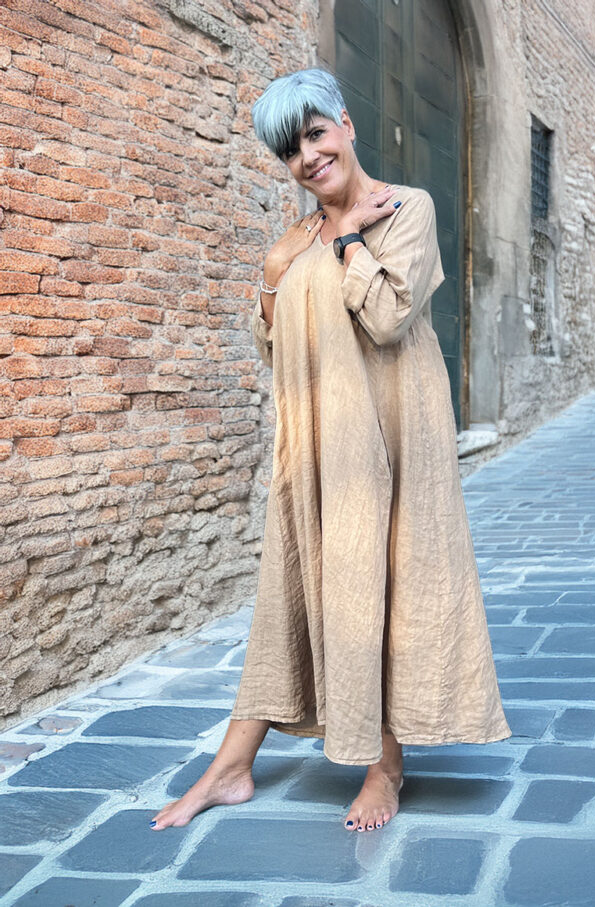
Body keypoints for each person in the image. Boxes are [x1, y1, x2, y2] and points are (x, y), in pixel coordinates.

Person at [150, 67, 511, 835]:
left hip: (388, 435)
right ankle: (231, 765)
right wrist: (271, 276)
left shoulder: (406, 208)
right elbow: (275, 346)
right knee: (292, 589)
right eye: (292, 150)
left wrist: (348, 238)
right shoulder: (296, 239)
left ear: (345, 123)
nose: (309, 157)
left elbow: (386, 317)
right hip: (315, 439)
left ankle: (385, 764)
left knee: (378, 584)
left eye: (316, 134)